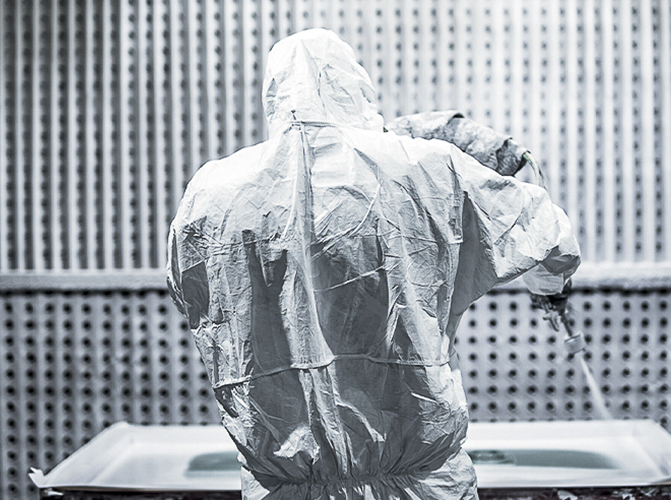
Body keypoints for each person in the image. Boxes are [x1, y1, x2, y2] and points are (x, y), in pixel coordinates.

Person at [167, 28, 580, 500]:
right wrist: (547, 286)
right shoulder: (425, 166)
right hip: (419, 486)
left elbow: (190, 296)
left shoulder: (210, 193)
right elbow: (550, 234)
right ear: (356, 87)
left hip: (284, 487)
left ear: (274, 96)